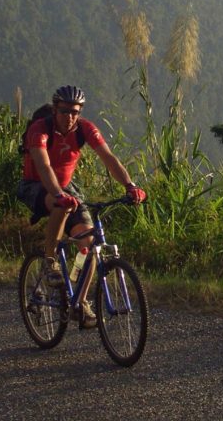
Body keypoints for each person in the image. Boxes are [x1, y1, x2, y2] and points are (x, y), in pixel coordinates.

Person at [16, 85, 146, 328]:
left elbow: (109, 158)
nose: (70, 117)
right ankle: (49, 260)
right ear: (54, 110)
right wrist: (57, 194)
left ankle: (81, 303)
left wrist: (130, 185)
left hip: (66, 186)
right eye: (64, 111)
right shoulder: (39, 130)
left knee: (90, 243)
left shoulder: (84, 129)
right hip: (35, 185)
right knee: (61, 206)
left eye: (75, 111)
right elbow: (43, 167)